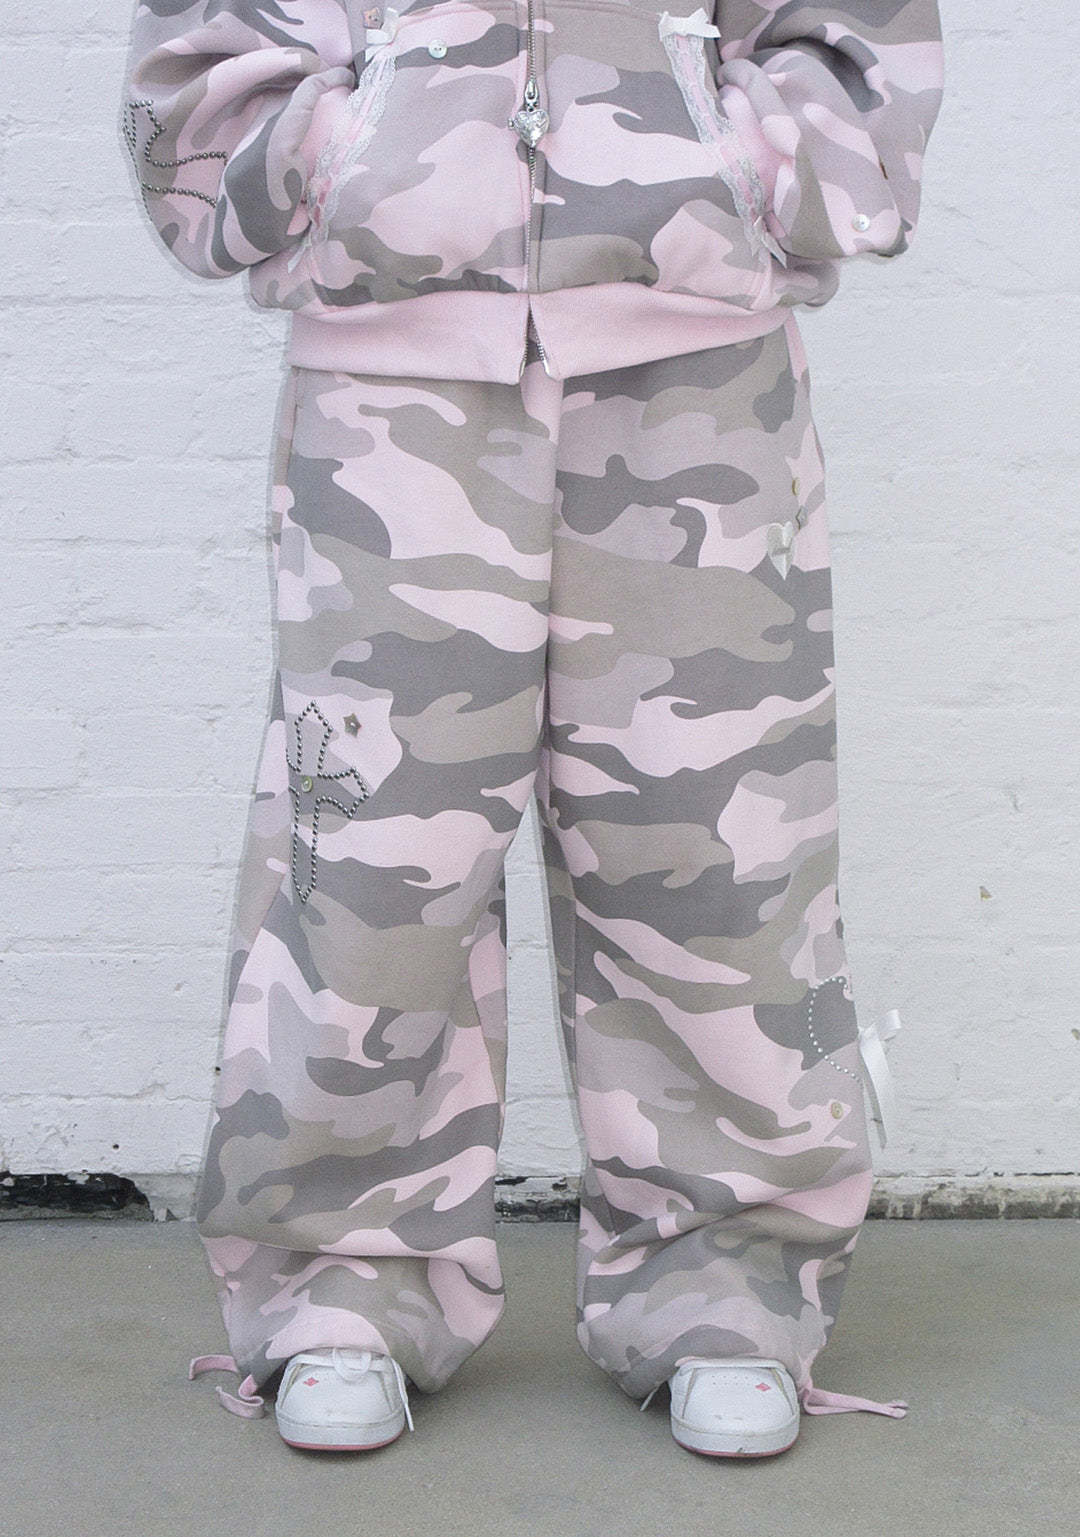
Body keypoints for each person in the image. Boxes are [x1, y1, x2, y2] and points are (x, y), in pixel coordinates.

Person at [119, 0, 944, 1458]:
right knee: (370, 861)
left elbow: (847, 41)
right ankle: (342, 1285)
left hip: (701, 373)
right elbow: (201, 75)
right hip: (391, 383)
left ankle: (728, 1288)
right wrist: (361, 148)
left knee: (719, 849)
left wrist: (726, 160)